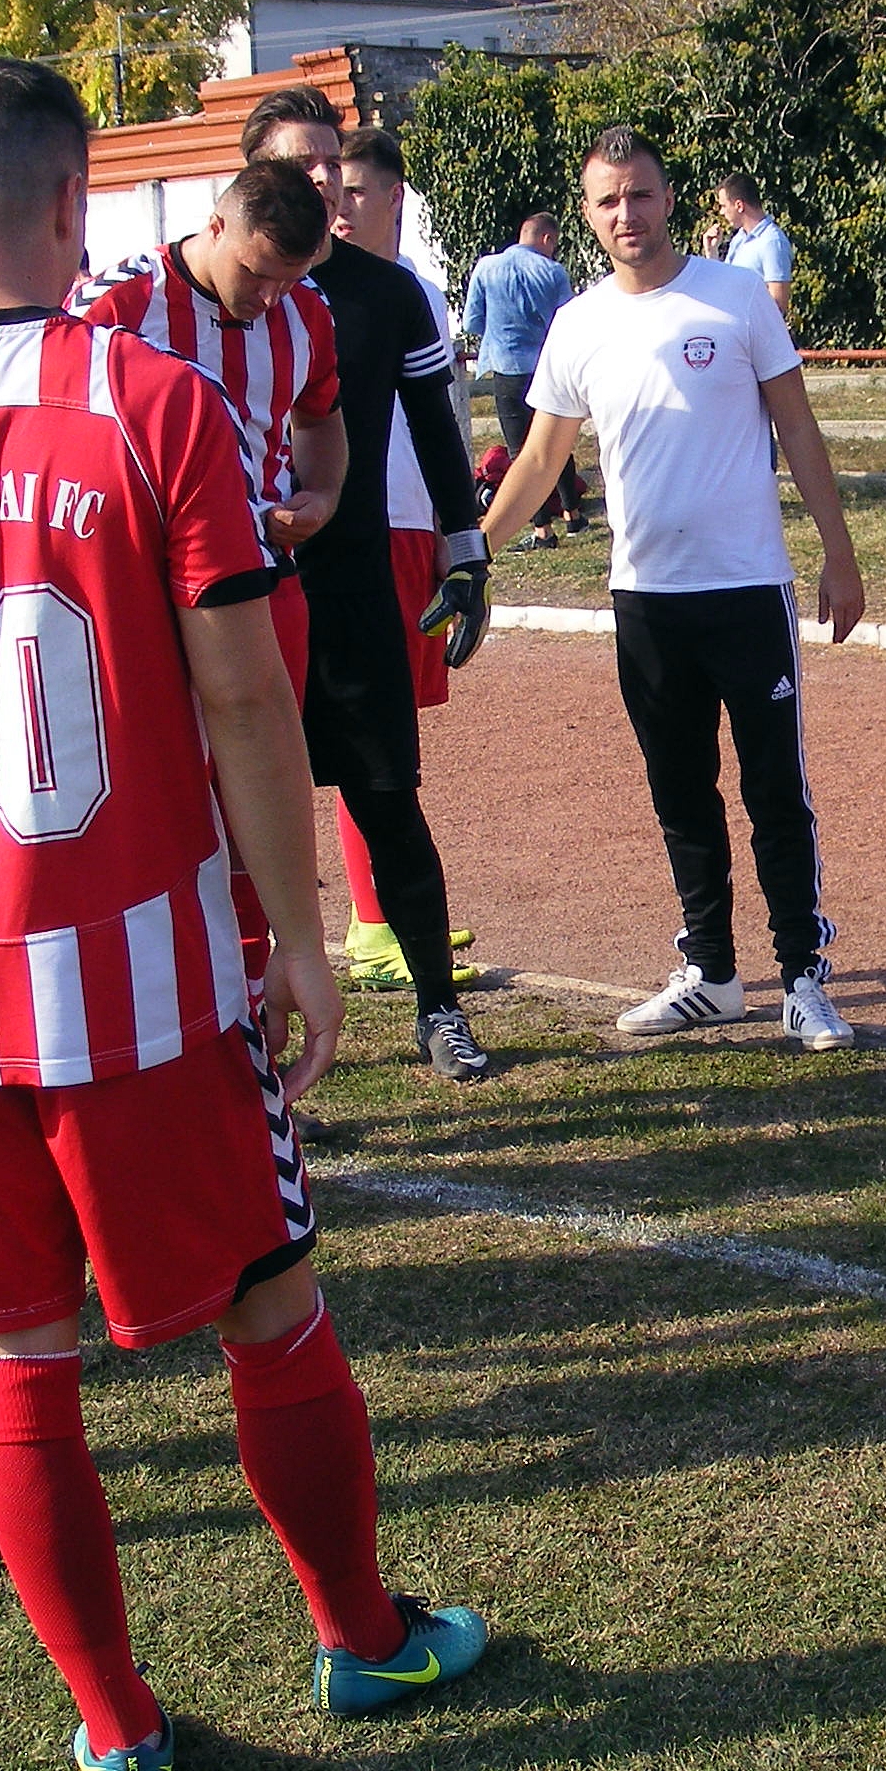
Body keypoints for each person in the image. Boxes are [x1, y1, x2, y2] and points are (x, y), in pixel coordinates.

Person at [0, 56, 485, 1771]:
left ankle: (117, 1722)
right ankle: (362, 1630)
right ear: (76, 212)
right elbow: (239, 692)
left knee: (12, 1356)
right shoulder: (148, 404)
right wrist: (299, 927)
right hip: (142, 977)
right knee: (273, 1306)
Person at [485, 127, 868, 1052]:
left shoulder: (735, 298)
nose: (629, 214)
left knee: (775, 787)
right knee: (680, 791)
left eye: (642, 194)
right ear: (588, 214)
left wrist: (840, 551)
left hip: (747, 590)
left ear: (670, 199)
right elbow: (542, 457)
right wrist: (474, 550)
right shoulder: (578, 324)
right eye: (609, 200)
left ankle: (803, 978)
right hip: (646, 599)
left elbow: (800, 429)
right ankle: (712, 972)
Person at [235, 85, 494, 1086]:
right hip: (237, 602)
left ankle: (440, 1008)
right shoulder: (205, 294)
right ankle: (238, 1034)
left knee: (389, 801)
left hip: (348, 595)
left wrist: (464, 550)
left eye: (327, 163)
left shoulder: (388, 293)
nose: (318, 181)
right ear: (249, 173)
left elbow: (436, 432)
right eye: (295, 163)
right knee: (239, 820)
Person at [68, 158, 348, 1011]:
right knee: (147, 808)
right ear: (216, 225)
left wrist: (322, 496)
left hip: (261, 587)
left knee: (256, 811)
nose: (269, 298)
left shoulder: (307, 314)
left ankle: (251, 1052)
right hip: (142, 602)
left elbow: (321, 421)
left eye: (290, 279)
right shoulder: (114, 308)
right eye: (258, 274)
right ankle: (155, 1019)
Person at [331, 128, 485, 995]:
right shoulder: (308, 290)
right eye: (331, 189)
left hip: (413, 528)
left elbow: (442, 427)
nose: (339, 206)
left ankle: (382, 906)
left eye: (355, 190)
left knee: (397, 723)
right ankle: (371, 921)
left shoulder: (418, 295)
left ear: (395, 197)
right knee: (363, 725)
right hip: (357, 531)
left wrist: (453, 535)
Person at [460, 211, 582, 544]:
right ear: (546, 238)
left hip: (506, 367)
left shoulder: (486, 267)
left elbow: (472, 321)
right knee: (557, 440)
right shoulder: (552, 271)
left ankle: (542, 528)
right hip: (546, 365)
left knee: (520, 451)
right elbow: (568, 320)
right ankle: (572, 513)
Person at [715, 174, 796, 319]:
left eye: (723, 206)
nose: (721, 212)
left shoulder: (772, 242)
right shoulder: (739, 239)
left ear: (739, 206)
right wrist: (712, 252)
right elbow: (724, 286)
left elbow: (777, 306)